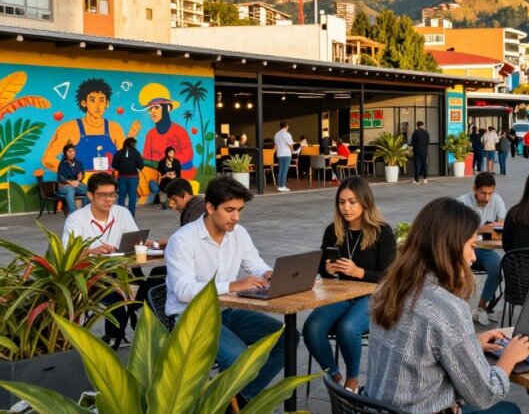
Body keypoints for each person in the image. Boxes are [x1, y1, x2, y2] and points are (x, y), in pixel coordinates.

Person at [366, 197, 529, 413]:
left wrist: (470, 342)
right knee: (508, 410)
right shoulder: (447, 308)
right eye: (471, 246)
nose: (473, 257)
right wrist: (509, 357)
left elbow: (424, 348)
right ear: (450, 248)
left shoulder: (387, 288)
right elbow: (485, 395)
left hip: (378, 407)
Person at [164, 177, 287, 407]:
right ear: (210, 207)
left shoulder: (239, 234)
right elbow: (183, 291)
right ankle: (227, 402)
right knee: (240, 357)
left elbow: (255, 264)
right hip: (191, 318)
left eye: (240, 210)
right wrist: (232, 286)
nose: (236, 217)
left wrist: (268, 273)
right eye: (229, 210)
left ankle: (239, 399)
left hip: (229, 312)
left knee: (287, 338)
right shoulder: (182, 240)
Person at [304, 176, 397, 391]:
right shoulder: (333, 231)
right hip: (341, 295)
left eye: (352, 202)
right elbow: (320, 268)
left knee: (348, 328)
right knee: (312, 328)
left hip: (374, 296)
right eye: (342, 202)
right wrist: (326, 268)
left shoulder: (382, 231)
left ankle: (352, 380)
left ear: (365, 202)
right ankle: (335, 378)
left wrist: (358, 271)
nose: (346, 208)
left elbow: (389, 276)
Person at [62, 172, 154, 344]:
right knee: (117, 299)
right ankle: (112, 338)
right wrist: (92, 251)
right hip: (92, 278)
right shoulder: (76, 219)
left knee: (159, 280)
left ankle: (148, 334)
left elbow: (134, 239)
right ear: (90, 195)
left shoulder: (122, 213)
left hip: (124, 272)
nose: (109, 199)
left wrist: (144, 243)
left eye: (112, 194)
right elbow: (68, 256)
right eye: (103, 195)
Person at [455, 172, 507, 326]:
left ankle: (481, 308)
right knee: (458, 273)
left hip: (485, 250)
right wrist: (485, 229)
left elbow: (502, 228)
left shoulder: (496, 200)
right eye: (483, 193)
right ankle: (459, 310)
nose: (487, 198)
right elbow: (457, 233)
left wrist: (477, 230)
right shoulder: (461, 202)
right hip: (462, 251)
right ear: (474, 189)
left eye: (490, 193)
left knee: (497, 269)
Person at [111, 137, 144, 216]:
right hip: (133, 178)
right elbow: (141, 166)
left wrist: (121, 167)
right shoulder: (136, 153)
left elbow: (114, 165)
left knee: (121, 196)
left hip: (122, 177)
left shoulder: (119, 153)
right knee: (132, 197)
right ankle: (131, 215)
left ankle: (120, 215)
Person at [56, 143, 88, 215]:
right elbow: (60, 178)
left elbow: (82, 175)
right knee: (70, 190)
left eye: (73, 151)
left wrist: (80, 178)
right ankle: (74, 213)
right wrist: (70, 182)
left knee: (89, 189)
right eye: (69, 151)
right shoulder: (62, 164)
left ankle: (84, 212)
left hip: (76, 184)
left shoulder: (79, 163)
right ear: (65, 153)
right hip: (64, 186)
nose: (72, 153)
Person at [273, 121, 296, 191]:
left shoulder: (276, 135)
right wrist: (293, 151)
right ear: (286, 126)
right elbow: (290, 145)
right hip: (286, 154)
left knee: (280, 170)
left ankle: (279, 186)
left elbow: (276, 145)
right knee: (285, 170)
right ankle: (282, 186)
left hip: (279, 154)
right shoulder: (287, 134)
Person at [409, 120, 430, 184]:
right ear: (422, 125)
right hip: (424, 151)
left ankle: (417, 180)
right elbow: (427, 142)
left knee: (417, 165)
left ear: (417, 125)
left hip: (417, 151)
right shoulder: (426, 133)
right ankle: (425, 179)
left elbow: (413, 143)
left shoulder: (415, 133)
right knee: (424, 165)